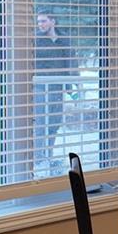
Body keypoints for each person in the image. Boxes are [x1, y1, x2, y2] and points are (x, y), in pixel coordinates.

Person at [33, 12, 73, 170]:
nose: (40, 24)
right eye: (38, 22)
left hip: (58, 87)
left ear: (53, 21)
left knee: (54, 123)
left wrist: (70, 86)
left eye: (43, 21)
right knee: (41, 124)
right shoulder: (35, 40)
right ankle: (38, 159)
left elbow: (70, 63)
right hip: (40, 87)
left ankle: (48, 157)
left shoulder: (64, 40)